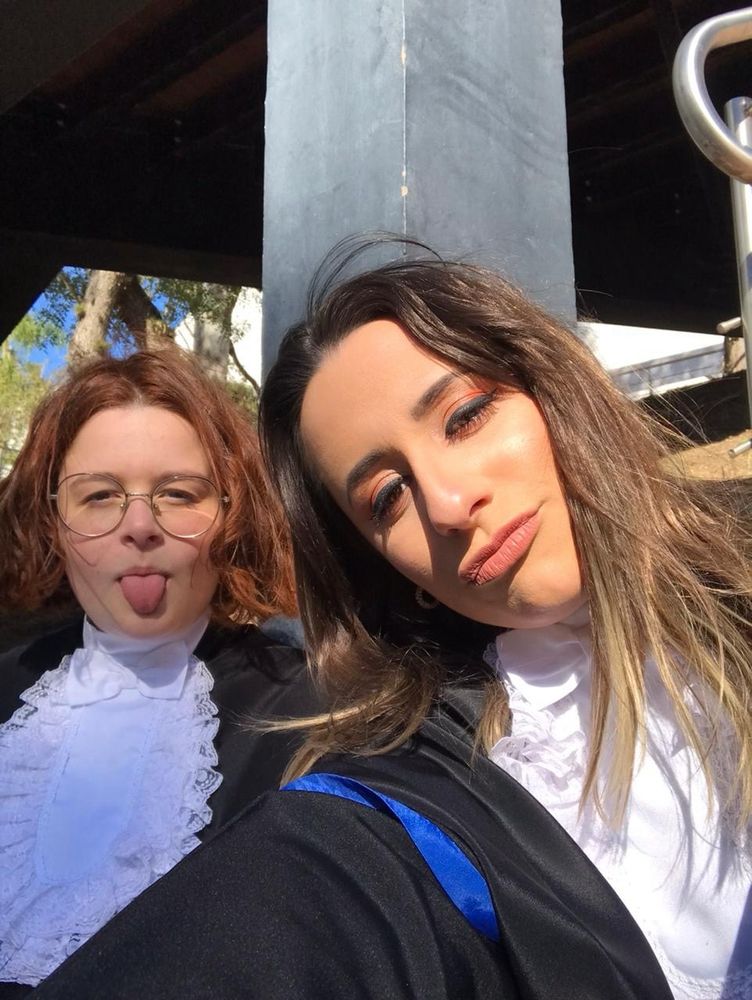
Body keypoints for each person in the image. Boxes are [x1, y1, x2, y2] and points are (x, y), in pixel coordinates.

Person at [33, 247, 752, 1000]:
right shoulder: (407, 785)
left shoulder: (287, 698)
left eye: (465, 417)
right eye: (387, 496)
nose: (448, 503)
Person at [0, 349, 317, 996]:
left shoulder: (308, 717)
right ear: (54, 522)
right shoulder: (9, 686)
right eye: (99, 496)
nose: (140, 526)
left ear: (231, 514)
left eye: (178, 493)